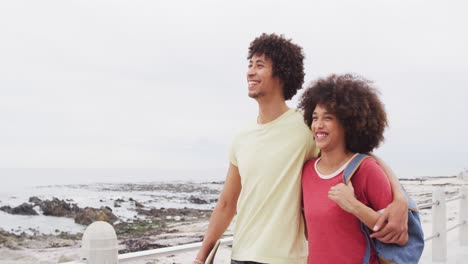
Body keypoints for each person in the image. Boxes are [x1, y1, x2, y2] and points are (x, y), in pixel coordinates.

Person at [194, 34, 407, 264]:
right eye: (250, 64)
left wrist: (400, 199)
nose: (250, 72)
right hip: (241, 255)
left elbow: (361, 156)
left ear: (281, 74)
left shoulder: (305, 128)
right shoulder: (241, 137)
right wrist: (201, 257)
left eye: (260, 65)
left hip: (287, 259)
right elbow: (227, 203)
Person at [299, 74, 408, 263]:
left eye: (328, 118)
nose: (318, 125)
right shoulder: (307, 170)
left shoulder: (367, 170)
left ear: (347, 124)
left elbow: (400, 237)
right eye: (315, 118)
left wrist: (354, 206)